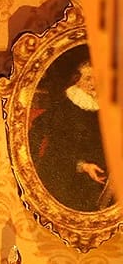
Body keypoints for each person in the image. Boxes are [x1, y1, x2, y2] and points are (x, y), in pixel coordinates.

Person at [29, 58, 114, 211]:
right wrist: (83, 166)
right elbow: (58, 150)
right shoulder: (64, 109)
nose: (93, 83)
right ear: (77, 81)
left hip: (98, 174)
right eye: (88, 78)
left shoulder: (103, 109)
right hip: (66, 176)